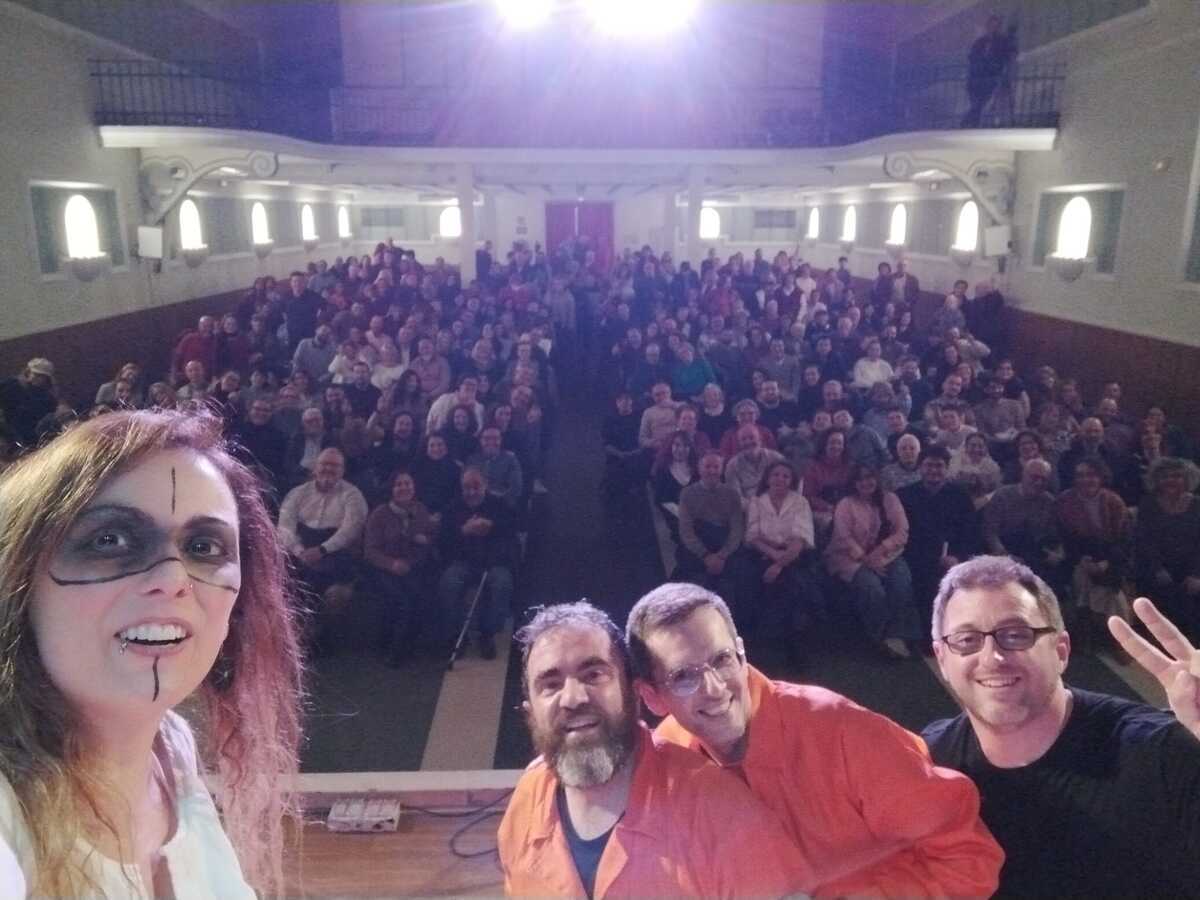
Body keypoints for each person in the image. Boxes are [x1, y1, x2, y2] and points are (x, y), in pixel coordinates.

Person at [0, 410, 301, 896]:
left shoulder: (171, 746)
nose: (173, 579)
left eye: (203, 547)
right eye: (111, 540)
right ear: (18, 578)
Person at [628, 583, 1003, 897]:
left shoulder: (842, 732)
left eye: (721, 659)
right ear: (652, 697)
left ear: (741, 652)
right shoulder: (666, 768)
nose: (713, 688)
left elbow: (970, 860)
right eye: (684, 677)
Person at [923, 556, 1200, 898]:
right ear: (942, 659)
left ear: (1061, 651)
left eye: (1016, 635)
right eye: (967, 640)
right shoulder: (928, 764)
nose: (992, 657)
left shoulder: (1160, 753)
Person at [498, 602, 813, 898]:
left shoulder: (722, 811)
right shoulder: (527, 798)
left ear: (633, 692)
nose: (573, 698)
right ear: (530, 712)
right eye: (551, 684)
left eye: (593, 674)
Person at [277, 448, 368, 654]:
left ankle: (320, 642)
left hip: (336, 555)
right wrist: (300, 550)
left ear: (343, 470)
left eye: (335, 465)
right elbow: (285, 526)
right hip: (300, 552)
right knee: (288, 585)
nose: (329, 469)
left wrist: (323, 549)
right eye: (324, 464)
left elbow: (350, 530)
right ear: (315, 468)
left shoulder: (353, 495)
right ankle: (293, 642)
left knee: (335, 594)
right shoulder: (297, 493)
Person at [827, 465, 921, 658]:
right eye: (860, 479)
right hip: (849, 558)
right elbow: (843, 537)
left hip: (887, 555)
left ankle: (899, 635)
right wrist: (867, 560)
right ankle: (880, 637)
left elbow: (902, 531)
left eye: (869, 477)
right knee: (872, 587)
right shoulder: (846, 504)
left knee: (901, 581)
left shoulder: (890, 499)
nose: (866, 482)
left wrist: (880, 551)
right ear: (854, 483)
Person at [745, 460, 820, 665]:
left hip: (795, 557)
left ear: (792, 481)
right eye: (776, 474)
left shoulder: (800, 502)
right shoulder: (757, 502)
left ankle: (794, 646)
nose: (780, 479)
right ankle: (761, 645)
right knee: (752, 583)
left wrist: (779, 564)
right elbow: (753, 536)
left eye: (786, 476)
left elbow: (800, 539)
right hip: (763, 555)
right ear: (768, 478)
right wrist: (773, 556)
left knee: (793, 585)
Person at [437, 467, 517, 660]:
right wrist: (463, 531)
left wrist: (492, 527)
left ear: (485, 485)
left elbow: (511, 534)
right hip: (463, 561)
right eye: (467, 487)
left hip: (493, 562)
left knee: (502, 583)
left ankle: (487, 633)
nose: (471, 492)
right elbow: (443, 541)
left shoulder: (499, 505)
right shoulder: (452, 508)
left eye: (476, 486)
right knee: (448, 583)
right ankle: (457, 634)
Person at [898, 445, 983, 625]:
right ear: (920, 467)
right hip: (915, 557)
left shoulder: (960, 496)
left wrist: (957, 557)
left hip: (951, 557)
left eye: (939, 466)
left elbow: (970, 532)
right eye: (929, 465)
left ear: (947, 468)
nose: (933, 470)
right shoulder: (904, 495)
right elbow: (900, 532)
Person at [364, 470, 436, 666]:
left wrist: (423, 542)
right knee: (400, 600)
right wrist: (391, 564)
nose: (404, 488)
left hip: (412, 567)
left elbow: (430, 538)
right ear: (391, 489)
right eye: (399, 484)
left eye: (408, 484)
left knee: (420, 597)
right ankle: (393, 650)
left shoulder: (421, 510)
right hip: (383, 568)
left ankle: (411, 646)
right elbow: (370, 551)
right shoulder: (379, 514)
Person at [675, 451, 752, 622]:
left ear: (722, 469)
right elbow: (686, 531)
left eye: (716, 467)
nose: (712, 471)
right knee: (695, 579)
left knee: (737, 579)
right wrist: (705, 555)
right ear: (699, 468)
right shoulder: (687, 494)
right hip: (699, 546)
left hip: (725, 545)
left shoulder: (731, 494)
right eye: (707, 466)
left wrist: (722, 555)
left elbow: (737, 530)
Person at [1133, 457, 1200, 641]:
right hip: (1156, 569)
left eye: (1177, 476)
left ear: (1187, 479)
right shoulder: (1148, 504)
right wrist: (1158, 569)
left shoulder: (1197, 505)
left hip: (1192, 570)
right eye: (1165, 476)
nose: (1171, 480)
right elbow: (1144, 541)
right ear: (1157, 480)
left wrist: (1196, 574)